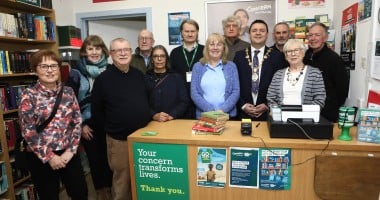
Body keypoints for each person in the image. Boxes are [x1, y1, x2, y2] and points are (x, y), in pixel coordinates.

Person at [18, 50, 88, 200]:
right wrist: (50, 157)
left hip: (69, 154)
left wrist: (71, 151)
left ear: (59, 68)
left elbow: (77, 122)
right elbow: (28, 131)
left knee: (80, 193)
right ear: (35, 70)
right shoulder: (28, 95)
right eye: (44, 66)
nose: (50, 70)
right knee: (49, 196)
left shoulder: (68, 92)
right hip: (42, 158)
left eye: (53, 66)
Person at [91, 37, 152, 200]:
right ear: (111, 54)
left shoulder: (138, 75)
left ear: (131, 52)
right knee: (122, 182)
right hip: (119, 141)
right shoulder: (102, 80)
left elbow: (146, 101)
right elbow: (96, 112)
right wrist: (113, 128)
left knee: (143, 180)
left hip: (143, 138)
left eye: (126, 50)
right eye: (118, 50)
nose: (123, 53)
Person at [66, 35, 112, 200]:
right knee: (95, 160)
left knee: (109, 160)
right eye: (90, 49)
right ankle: (100, 192)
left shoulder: (110, 70)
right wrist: (82, 125)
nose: (94, 52)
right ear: (84, 52)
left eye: (97, 48)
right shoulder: (76, 73)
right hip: (87, 124)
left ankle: (109, 190)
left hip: (109, 123)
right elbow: (70, 102)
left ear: (103, 51)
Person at [234, 19, 287, 121]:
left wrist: (268, 105)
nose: (258, 33)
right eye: (254, 30)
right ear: (249, 34)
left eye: (262, 30)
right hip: (243, 113)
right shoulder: (239, 56)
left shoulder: (277, 57)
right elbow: (234, 85)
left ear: (267, 35)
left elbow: (281, 86)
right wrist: (243, 105)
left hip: (268, 114)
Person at [303, 22, 349, 122]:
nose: (313, 38)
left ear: (325, 38)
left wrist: (330, 107)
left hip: (326, 113)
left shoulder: (334, 59)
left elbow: (342, 90)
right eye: (310, 35)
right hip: (306, 110)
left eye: (317, 35)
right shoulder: (305, 56)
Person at [191, 33, 240, 119]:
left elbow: (235, 91)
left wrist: (222, 110)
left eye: (219, 44)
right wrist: (210, 111)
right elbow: (194, 93)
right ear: (207, 48)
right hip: (204, 116)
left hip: (227, 116)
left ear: (223, 48)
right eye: (212, 44)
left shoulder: (231, 66)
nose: (215, 47)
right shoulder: (197, 67)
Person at [267, 39, 326, 109]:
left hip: (306, 118)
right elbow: (270, 98)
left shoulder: (315, 73)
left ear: (303, 52)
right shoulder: (278, 74)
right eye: (289, 51)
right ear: (286, 56)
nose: (293, 54)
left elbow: (320, 99)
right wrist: (278, 112)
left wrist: (301, 113)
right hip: (282, 117)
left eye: (296, 50)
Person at [170, 19, 204, 119]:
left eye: (192, 31)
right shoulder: (175, 53)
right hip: (180, 100)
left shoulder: (205, 51)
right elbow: (172, 77)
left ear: (197, 32)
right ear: (181, 33)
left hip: (201, 98)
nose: (190, 34)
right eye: (186, 31)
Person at [145, 45, 189, 122]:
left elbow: (184, 101)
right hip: (152, 122)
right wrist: (154, 115)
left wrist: (171, 115)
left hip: (173, 121)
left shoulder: (176, 78)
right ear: (152, 59)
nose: (159, 59)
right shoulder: (145, 78)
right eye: (156, 56)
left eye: (162, 56)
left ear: (166, 58)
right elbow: (142, 102)